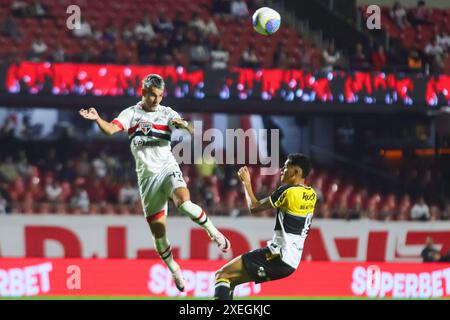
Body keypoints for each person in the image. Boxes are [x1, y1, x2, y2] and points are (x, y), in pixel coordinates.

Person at [79, 74, 230, 292]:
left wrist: (184, 125)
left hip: (168, 169)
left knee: (184, 203)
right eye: (152, 95)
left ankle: (214, 233)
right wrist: (97, 119)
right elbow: (111, 130)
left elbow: (189, 128)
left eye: (159, 96)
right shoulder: (131, 114)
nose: (156, 100)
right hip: (147, 180)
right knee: (159, 236)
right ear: (143, 93)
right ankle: (175, 269)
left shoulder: (167, 113)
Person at [214, 154, 316, 300]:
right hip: (292, 262)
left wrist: (246, 183)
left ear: (296, 172)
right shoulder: (311, 194)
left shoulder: (288, 191)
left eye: (286, 167)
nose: (282, 169)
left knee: (222, 275)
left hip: (277, 256)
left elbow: (253, 207)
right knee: (230, 281)